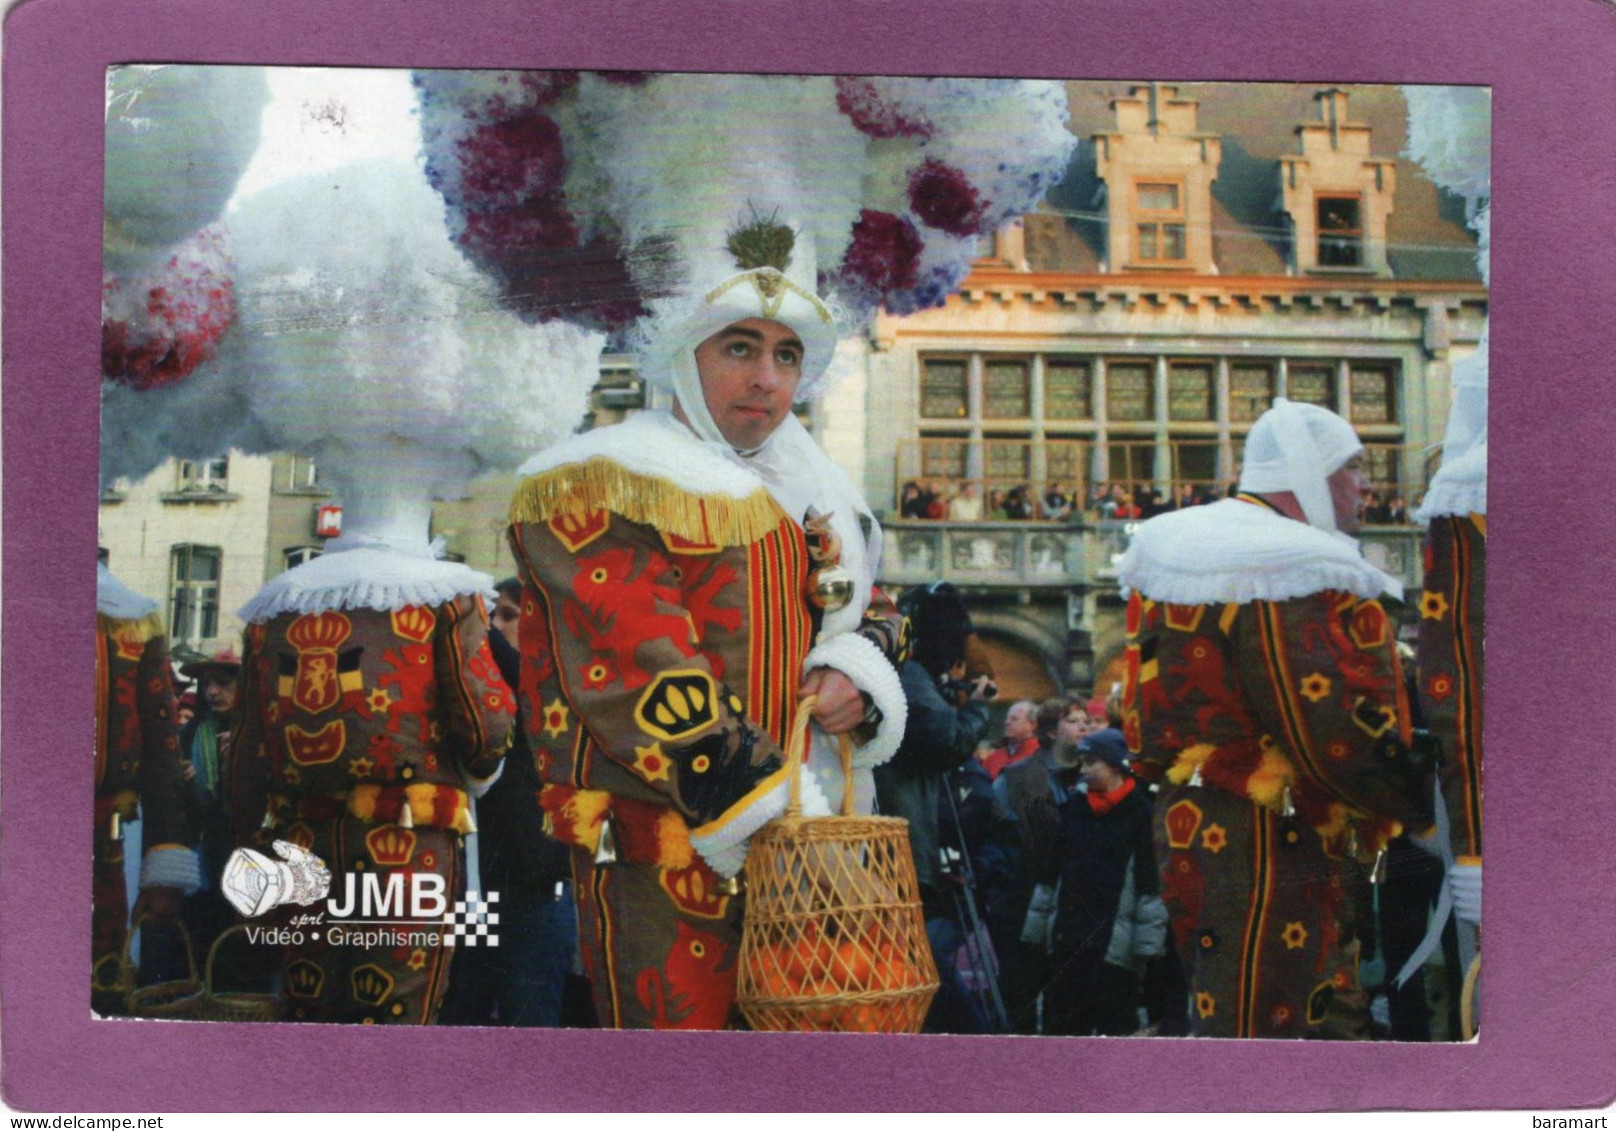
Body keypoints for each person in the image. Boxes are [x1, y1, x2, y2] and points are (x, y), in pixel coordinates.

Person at [507, 230, 908, 1031]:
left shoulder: (818, 486)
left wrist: (855, 675)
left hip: (812, 837)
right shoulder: (602, 480)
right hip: (670, 848)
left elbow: (881, 614)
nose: (766, 380)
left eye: (788, 355)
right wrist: (778, 827)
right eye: (739, 346)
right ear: (683, 351)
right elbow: (639, 674)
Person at [1118, 398, 1432, 1038]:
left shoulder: (1181, 544)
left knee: (1227, 1007)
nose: (1367, 483)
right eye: (1353, 466)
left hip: (1187, 820)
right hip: (1272, 831)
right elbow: (1331, 727)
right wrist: (1423, 804)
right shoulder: (1290, 565)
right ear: (1309, 475)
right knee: (1296, 1018)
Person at [438, 579, 579, 1028]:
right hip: (475, 884)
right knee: (459, 1022)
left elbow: (519, 677)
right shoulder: (473, 690)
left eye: (509, 616)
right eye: (493, 615)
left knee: (529, 1028)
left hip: (535, 891)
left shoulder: (559, 682)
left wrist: (475, 623)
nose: (497, 626)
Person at [874, 582, 996, 1032]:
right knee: (923, 966)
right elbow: (945, 741)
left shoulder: (905, 675)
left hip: (903, 838)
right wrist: (978, 710)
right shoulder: (910, 677)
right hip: (905, 842)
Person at [92, 563, 199, 1011]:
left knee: (99, 968)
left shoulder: (129, 619)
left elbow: (161, 748)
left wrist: (166, 862)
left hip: (104, 834)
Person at [1039, 728, 1167, 1037]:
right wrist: (1038, 930)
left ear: (1115, 765)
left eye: (1091, 762)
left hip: (1114, 946)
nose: (1083, 771)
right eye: (1082, 762)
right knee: (1062, 1031)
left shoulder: (1143, 814)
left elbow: (1151, 886)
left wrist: (1147, 945)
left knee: (1117, 1032)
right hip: (1070, 939)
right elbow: (1052, 873)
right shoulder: (1073, 810)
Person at [980, 700, 1039, 781]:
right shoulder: (993, 758)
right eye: (1007, 718)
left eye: (1014, 719)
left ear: (1033, 725)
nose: (1006, 722)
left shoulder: (1041, 755)